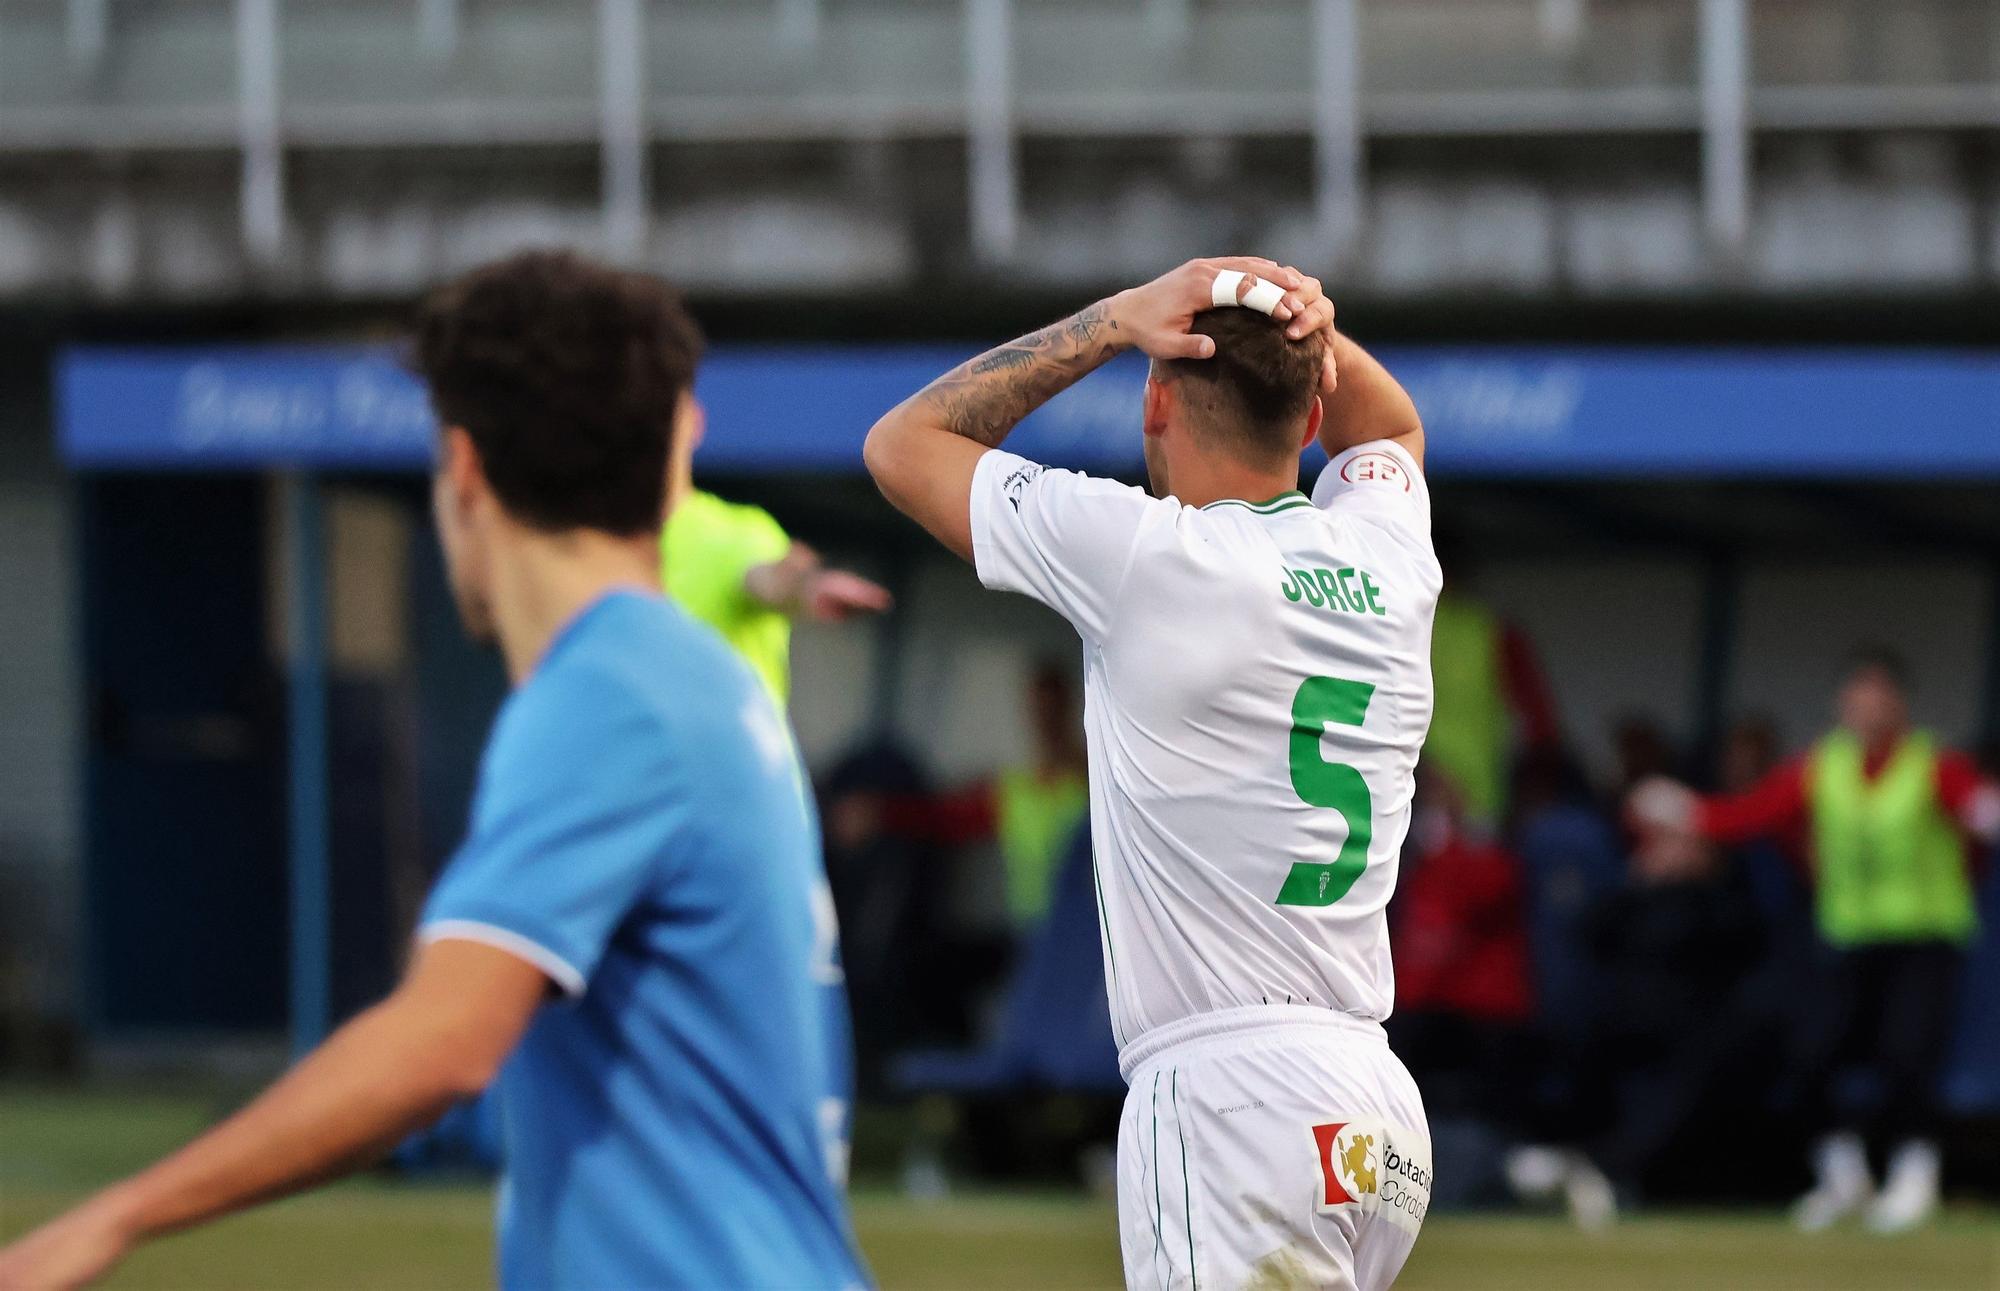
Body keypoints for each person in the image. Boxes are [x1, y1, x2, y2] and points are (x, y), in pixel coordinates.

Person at [0, 251, 867, 1291]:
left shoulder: (609, 697)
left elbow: (442, 1042)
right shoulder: (690, 676)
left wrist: (109, 1220)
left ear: (461, 470)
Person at [865, 257, 1437, 1290]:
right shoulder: (1386, 558)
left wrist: (1113, 318)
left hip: (1233, 1095)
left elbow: (902, 445)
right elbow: (1391, 432)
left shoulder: (1146, 555)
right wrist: (1301, 325)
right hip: (1371, 1102)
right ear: (1310, 419)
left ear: (1156, 394)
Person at [1630, 647, 2000, 1234]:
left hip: (1924, 937)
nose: (1865, 708)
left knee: (1908, 1056)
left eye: (1876, 696)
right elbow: (1751, 814)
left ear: (1899, 704)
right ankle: (1841, 1176)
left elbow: (1980, 814)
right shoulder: (1822, 766)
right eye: (1855, 697)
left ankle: (1913, 1176)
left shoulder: (1933, 764)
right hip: (1848, 936)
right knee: (1812, 1053)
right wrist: (1684, 809)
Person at [662, 427, 891, 708]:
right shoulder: (595, 545)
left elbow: (768, 580)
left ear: (692, 423)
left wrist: (806, 585)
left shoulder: (736, 533)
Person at [899, 660, 1091, 930]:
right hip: (1030, 929)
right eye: (1039, 711)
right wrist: (880, 813)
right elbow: (944, 820)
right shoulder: (1016, 789)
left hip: (1084, 927)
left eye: (1053, 711)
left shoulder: (1091, 784)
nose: (1046, 723)